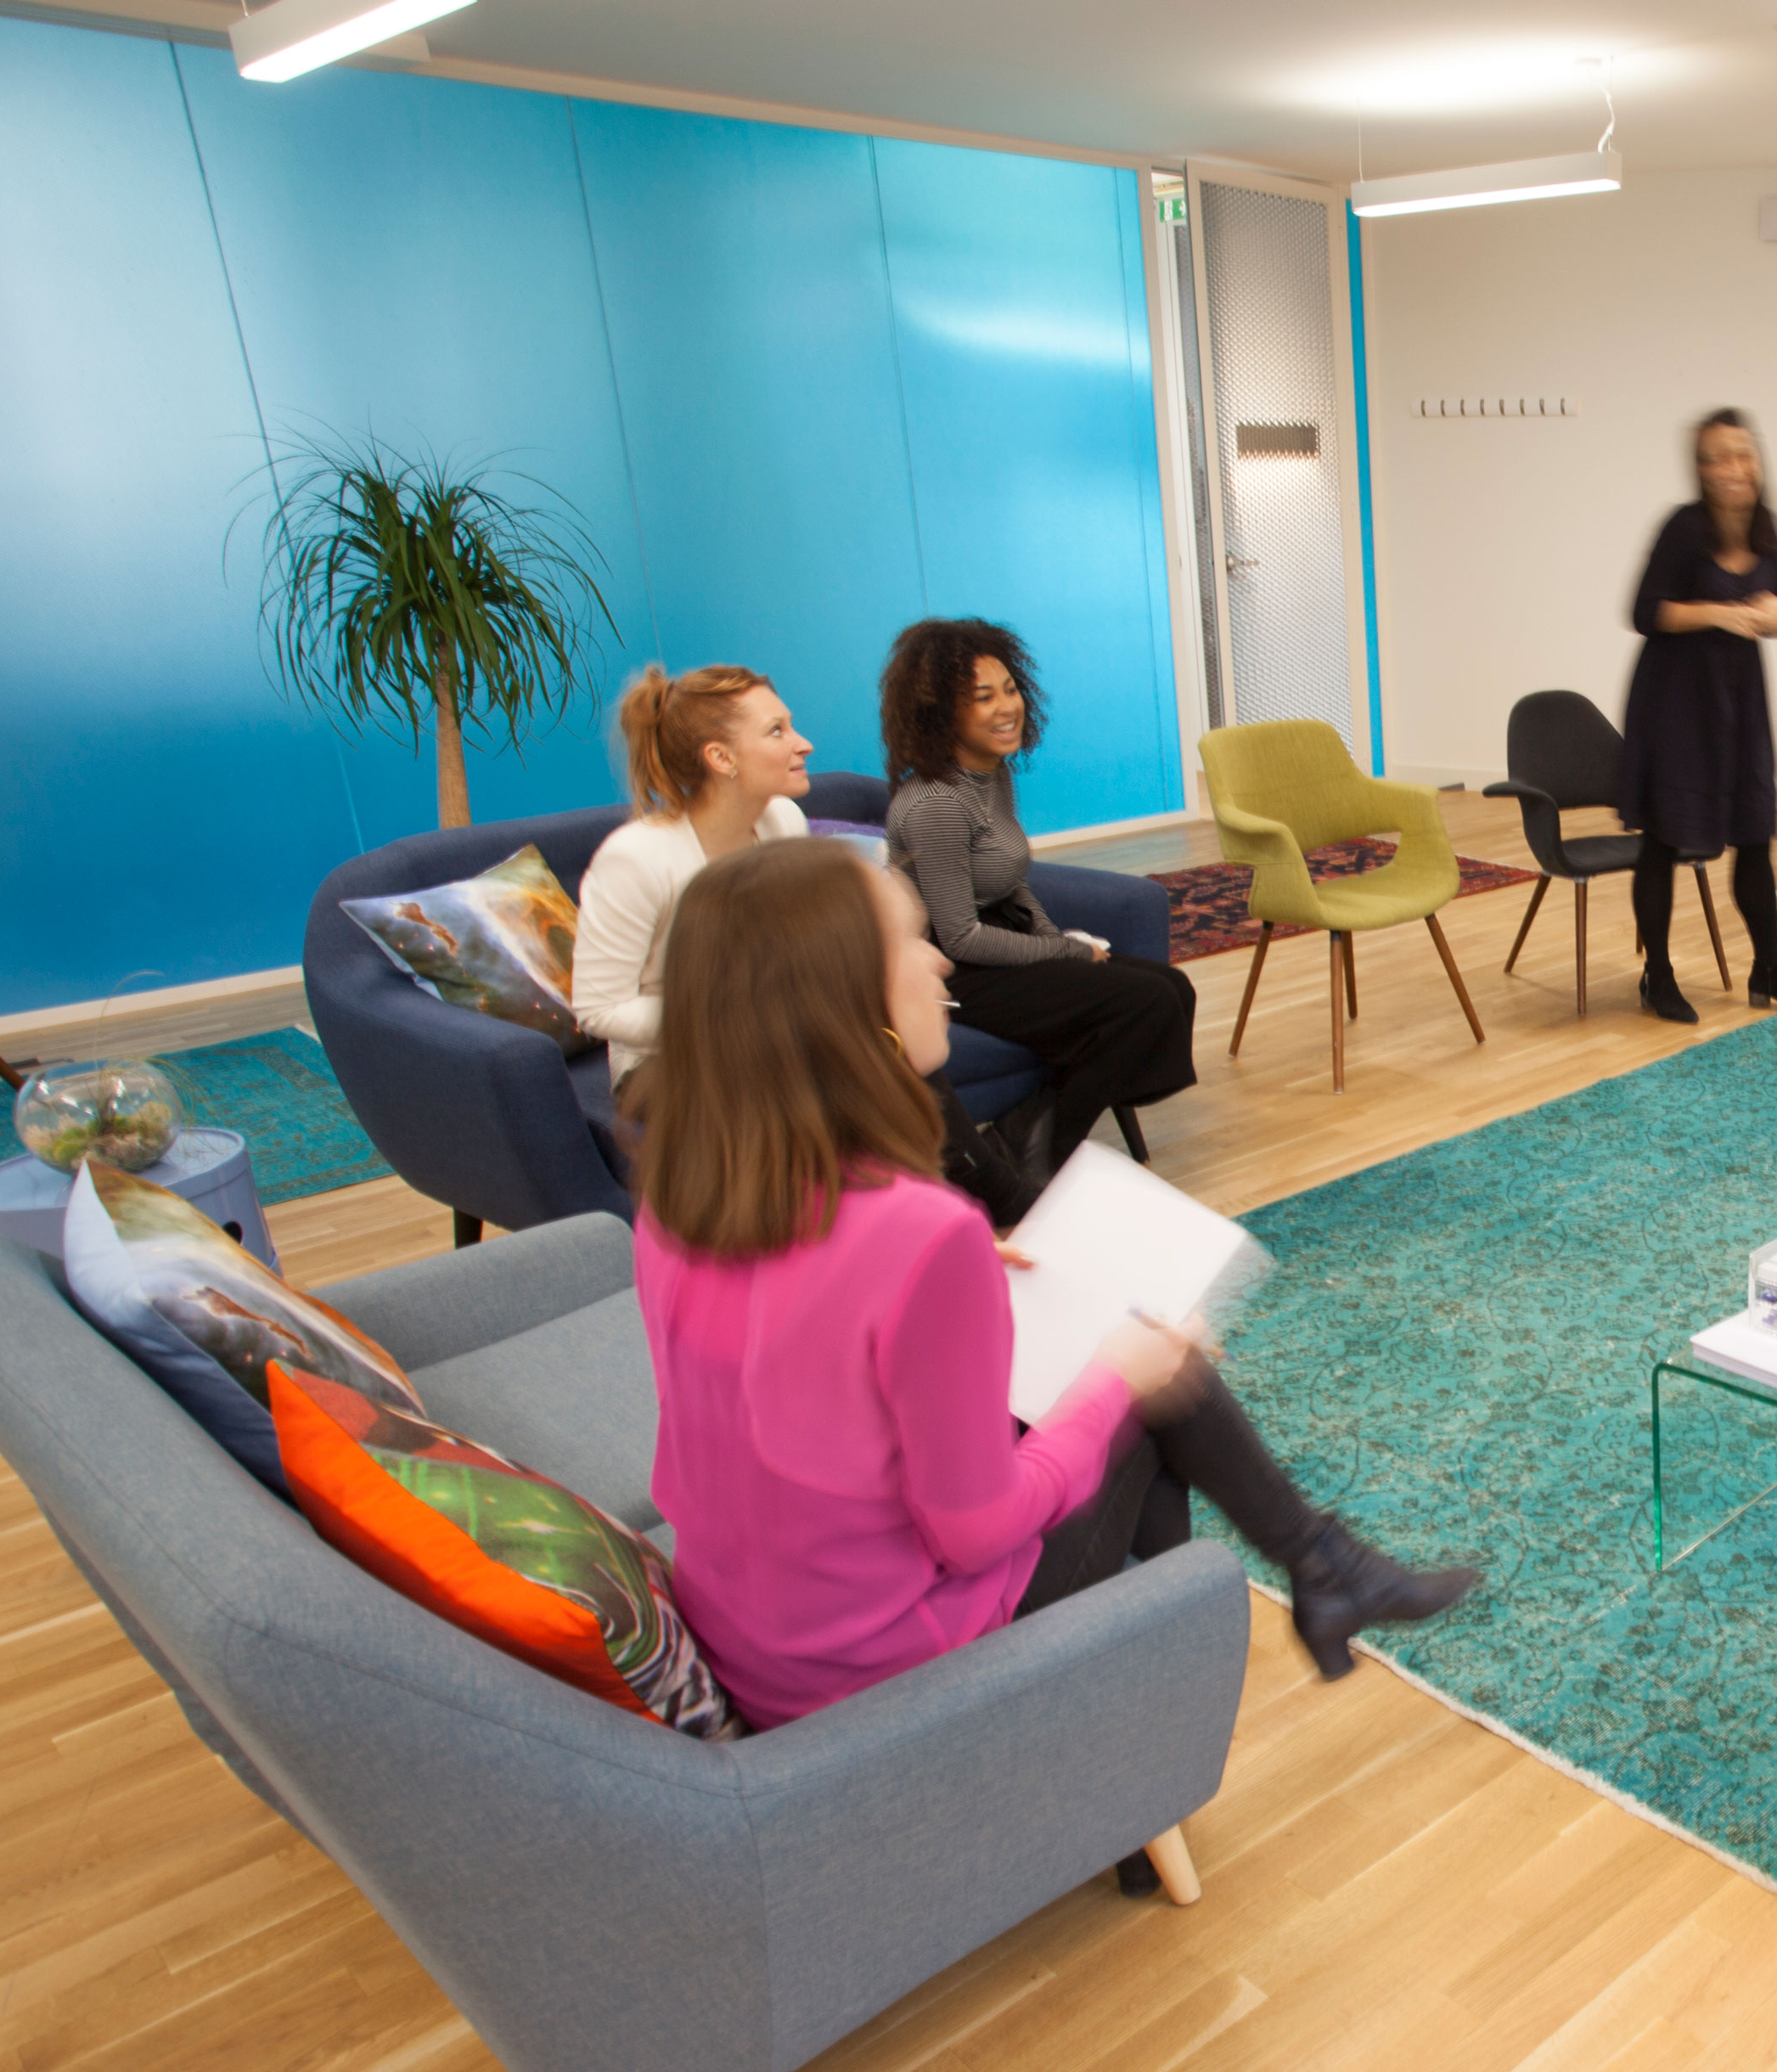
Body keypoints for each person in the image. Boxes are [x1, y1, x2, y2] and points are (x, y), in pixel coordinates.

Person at [630, 837, 1479, 1767]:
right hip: (886, 1667)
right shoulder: (915, 1231)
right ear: (847, 1006)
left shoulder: (684, 1185)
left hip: (762, 1640)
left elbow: (804, 1344)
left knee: (1138, 1366)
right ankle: (1177, 1714)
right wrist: (1114, 1375)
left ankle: (1305, 1583)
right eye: (912, 942)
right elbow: (974, 1531)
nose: (941, 961)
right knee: (1157, 1377)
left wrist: (967, 1279)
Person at [881, 617, 1198, 1184]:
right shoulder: (936, 803)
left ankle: (1024, 1136)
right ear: (940, 711)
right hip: (954, 969)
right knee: (1142, 1004)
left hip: (996, 943)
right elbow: (958, 936)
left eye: (1010, 688)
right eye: (983, 697)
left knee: (1172, 987)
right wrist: (1066, 956)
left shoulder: (991, 774)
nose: (1007, 706)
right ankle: (1034, 1156)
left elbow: (1010, 877)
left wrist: (1056, 939)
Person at [1619, 409, 1777, 1022]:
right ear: (1700, 471)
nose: (1731, 468)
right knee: (1663, 838)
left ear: (1756, 461)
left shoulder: (1768, 531)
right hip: (1675, 701)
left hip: (1738, 701)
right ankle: (1657, 974)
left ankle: (1769, 966)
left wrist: (1775, 614)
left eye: (1740, 454)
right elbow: (1644, 611)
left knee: (1753, 837)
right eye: (1714, 458)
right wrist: (1719, 612)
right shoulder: (1683, 529)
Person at [571, 662, 813, 1084]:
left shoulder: (785, 820)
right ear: (721, 757)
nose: (804, 744)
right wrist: (737, 1019)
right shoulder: (634, 858)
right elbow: (599, 1010)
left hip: (771, 1041)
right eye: (777, 731)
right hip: (668, 1065)